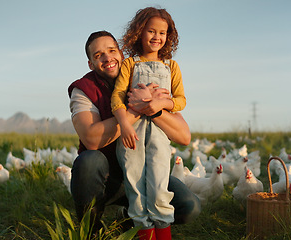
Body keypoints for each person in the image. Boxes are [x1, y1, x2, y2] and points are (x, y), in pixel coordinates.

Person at [68, 30, 201, 238]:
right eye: (98, 55)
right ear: (90, 64)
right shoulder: (84, 89)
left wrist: (153, 107)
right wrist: (135, 109)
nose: (107, 58)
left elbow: (184, 137)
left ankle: (128, 219)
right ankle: (92, 230)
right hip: (107, 178)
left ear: (121, 53)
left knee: (189, 206)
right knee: (88, 161)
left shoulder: (146, 77)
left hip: (148, 170)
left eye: (111, 50)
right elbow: (91, 139)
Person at [110, 7, 185, 239]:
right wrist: (124, 124)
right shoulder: (130, 65)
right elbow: (117, 97)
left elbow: (181, 100)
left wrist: (162, 105)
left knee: (159, 183)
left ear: (168, 36)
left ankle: (162, 229)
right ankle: (142, 228)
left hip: (160, 132)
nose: (156, 37)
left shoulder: (171, 67)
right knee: (135, 183)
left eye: (162, 33)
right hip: (132, 132)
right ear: (139, 32)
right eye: (151, 31)